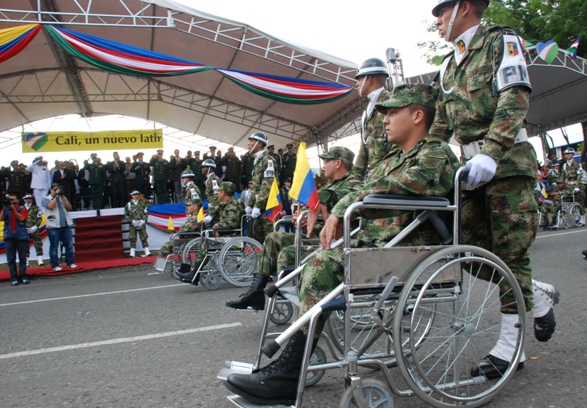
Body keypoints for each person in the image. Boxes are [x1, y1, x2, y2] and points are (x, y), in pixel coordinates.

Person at [224, 84, 459, 405]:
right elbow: (363, 187)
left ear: (418, 116)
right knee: (308, 259)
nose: (385, 120)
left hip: (408, 252)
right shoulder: (392, 158)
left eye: (393, 112)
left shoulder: (436, 153)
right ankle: (288, 363)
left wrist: (342, 208)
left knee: (320, 265)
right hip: (377, 246)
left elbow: (401, 186)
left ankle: (288, 374)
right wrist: (326, 201)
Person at [429, 0, 559, 379]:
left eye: (441, 11)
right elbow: (440, 127)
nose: (436, 20)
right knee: (470, 253)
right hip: (469, 171)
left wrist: (491, 150)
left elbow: (514, 97)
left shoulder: (500, 41)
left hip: (506, 163)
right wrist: (421, 161)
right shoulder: (448, 66)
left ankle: (510, 349)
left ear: (464, 7)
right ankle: (537, 293)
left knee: (510, 253)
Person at [225, 146, 361, 311]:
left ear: (338, 163)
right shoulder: (331, 184)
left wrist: (315, 207)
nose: (324, 165)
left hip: (332, 242)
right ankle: (256, 292)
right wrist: (302, 216)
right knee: (273, 238)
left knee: (287, 253)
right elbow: (314, 206)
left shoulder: (354, 183)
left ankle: (300, 295)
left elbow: (344, 198)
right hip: (314, 237)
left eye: (326, 161)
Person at [176, 181, 244, 284]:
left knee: (206, 245)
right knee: (204, 242)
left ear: (223, 193)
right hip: (227, 235)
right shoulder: (225, 205)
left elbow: (231, 224)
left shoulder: (232, 206)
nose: (217, 194)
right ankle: (193, 272)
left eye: (219, 192)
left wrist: (217, 228)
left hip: (233, 237)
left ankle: (195, 274)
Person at [352, 58, 395, 179]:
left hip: (390, 176)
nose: (357, 84)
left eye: (359, 79)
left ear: (369, 79)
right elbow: (364, 147)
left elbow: (399, 146)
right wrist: (354, 179)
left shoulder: (392, 103)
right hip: (375, 177)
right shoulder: (368, 109)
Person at [245, 132, 279, 244]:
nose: (248, 144)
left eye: (251, 141)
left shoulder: (268, 160)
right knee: (257, 238)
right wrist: (250, 204)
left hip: (268, 206)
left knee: (270, 239)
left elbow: (267, 186)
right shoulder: (257, 161)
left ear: (259, 144)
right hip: (260, 207)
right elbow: (256, 188)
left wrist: (257, 205)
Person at [42, 183, 77, 272]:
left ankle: (70, 263)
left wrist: (63, 197)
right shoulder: (46, 199)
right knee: (54, 246)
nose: (57, 191)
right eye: (55, 189)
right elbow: (51, 206)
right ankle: (55, 265)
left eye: (58, 189)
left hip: (65, 225)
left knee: (69, 245)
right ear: (51, 190)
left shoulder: (62, 198)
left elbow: (69, 208)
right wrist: (56, 197)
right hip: (53, 226)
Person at [1, 194, 30, 285]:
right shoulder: (6, 209)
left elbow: (22, 218)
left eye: (13, 200)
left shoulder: (22, 209)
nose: (11, 201)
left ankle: (23, 276)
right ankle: (14, 277)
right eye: (10, 199)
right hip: (9, 236)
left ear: (17, 201)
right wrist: (5, 206)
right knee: (11, 258)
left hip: (21, 236)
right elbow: (1, 218)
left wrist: (13, 209)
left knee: (22, 257)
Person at [124, 191, 151, 258]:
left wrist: (143, 220)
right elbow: (126, 214)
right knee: (132, 238)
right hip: (133, 224)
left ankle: (147, 252)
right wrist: (131, 221)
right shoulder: (129, 205)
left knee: (144, 237)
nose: (136, 196)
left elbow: (146, 213)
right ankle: (132, 253)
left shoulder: (142, 204)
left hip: (141, 223)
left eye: (137, 195)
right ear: (132, 196)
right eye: (135, 195)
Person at [23, 194, 44, 267]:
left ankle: (40, 260)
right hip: (25, 229)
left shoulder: (36, 208)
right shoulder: (21, 208)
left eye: (29, 198)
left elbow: (39, 218)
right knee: (25, 245)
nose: (28, 200)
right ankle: (26, 261)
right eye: (27, 199)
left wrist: (35, 226)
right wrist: (24, 227)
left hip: (34, 228)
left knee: (38, 244)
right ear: (24, 200)